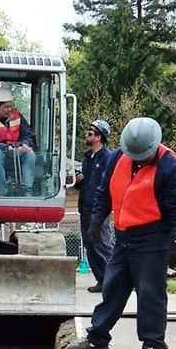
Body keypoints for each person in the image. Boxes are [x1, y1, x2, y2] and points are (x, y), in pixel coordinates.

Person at [67, 117, 176, 349]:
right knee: (112, 288)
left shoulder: (172, 168)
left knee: (150, 294)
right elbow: (104, 192)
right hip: (124, 236)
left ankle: (152, 346)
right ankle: (97, 337)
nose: (137, 160)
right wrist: (96, 221)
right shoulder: (117, 158)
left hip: (152, 239)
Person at [76, 119, 114, 292]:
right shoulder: (87, 159)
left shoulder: (108, 159)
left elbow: (108, 185)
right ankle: (102, 281)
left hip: (99, 210)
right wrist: (80, 181)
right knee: (90, 246)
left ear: (99, 137)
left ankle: (115, 281)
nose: (87, 135)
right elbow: (87, 184)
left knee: (102, 245)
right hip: (85, 208)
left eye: (90, 133)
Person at [0, 87, 37, 195]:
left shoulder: (17, 116)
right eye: (6, 107)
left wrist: (25, 145)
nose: (9, 109)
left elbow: (27, 134)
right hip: (1, 152)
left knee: (30, 154)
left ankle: (27, 191)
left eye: (10, 106)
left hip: (19, 150)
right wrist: (7, 148)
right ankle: (2, 190)